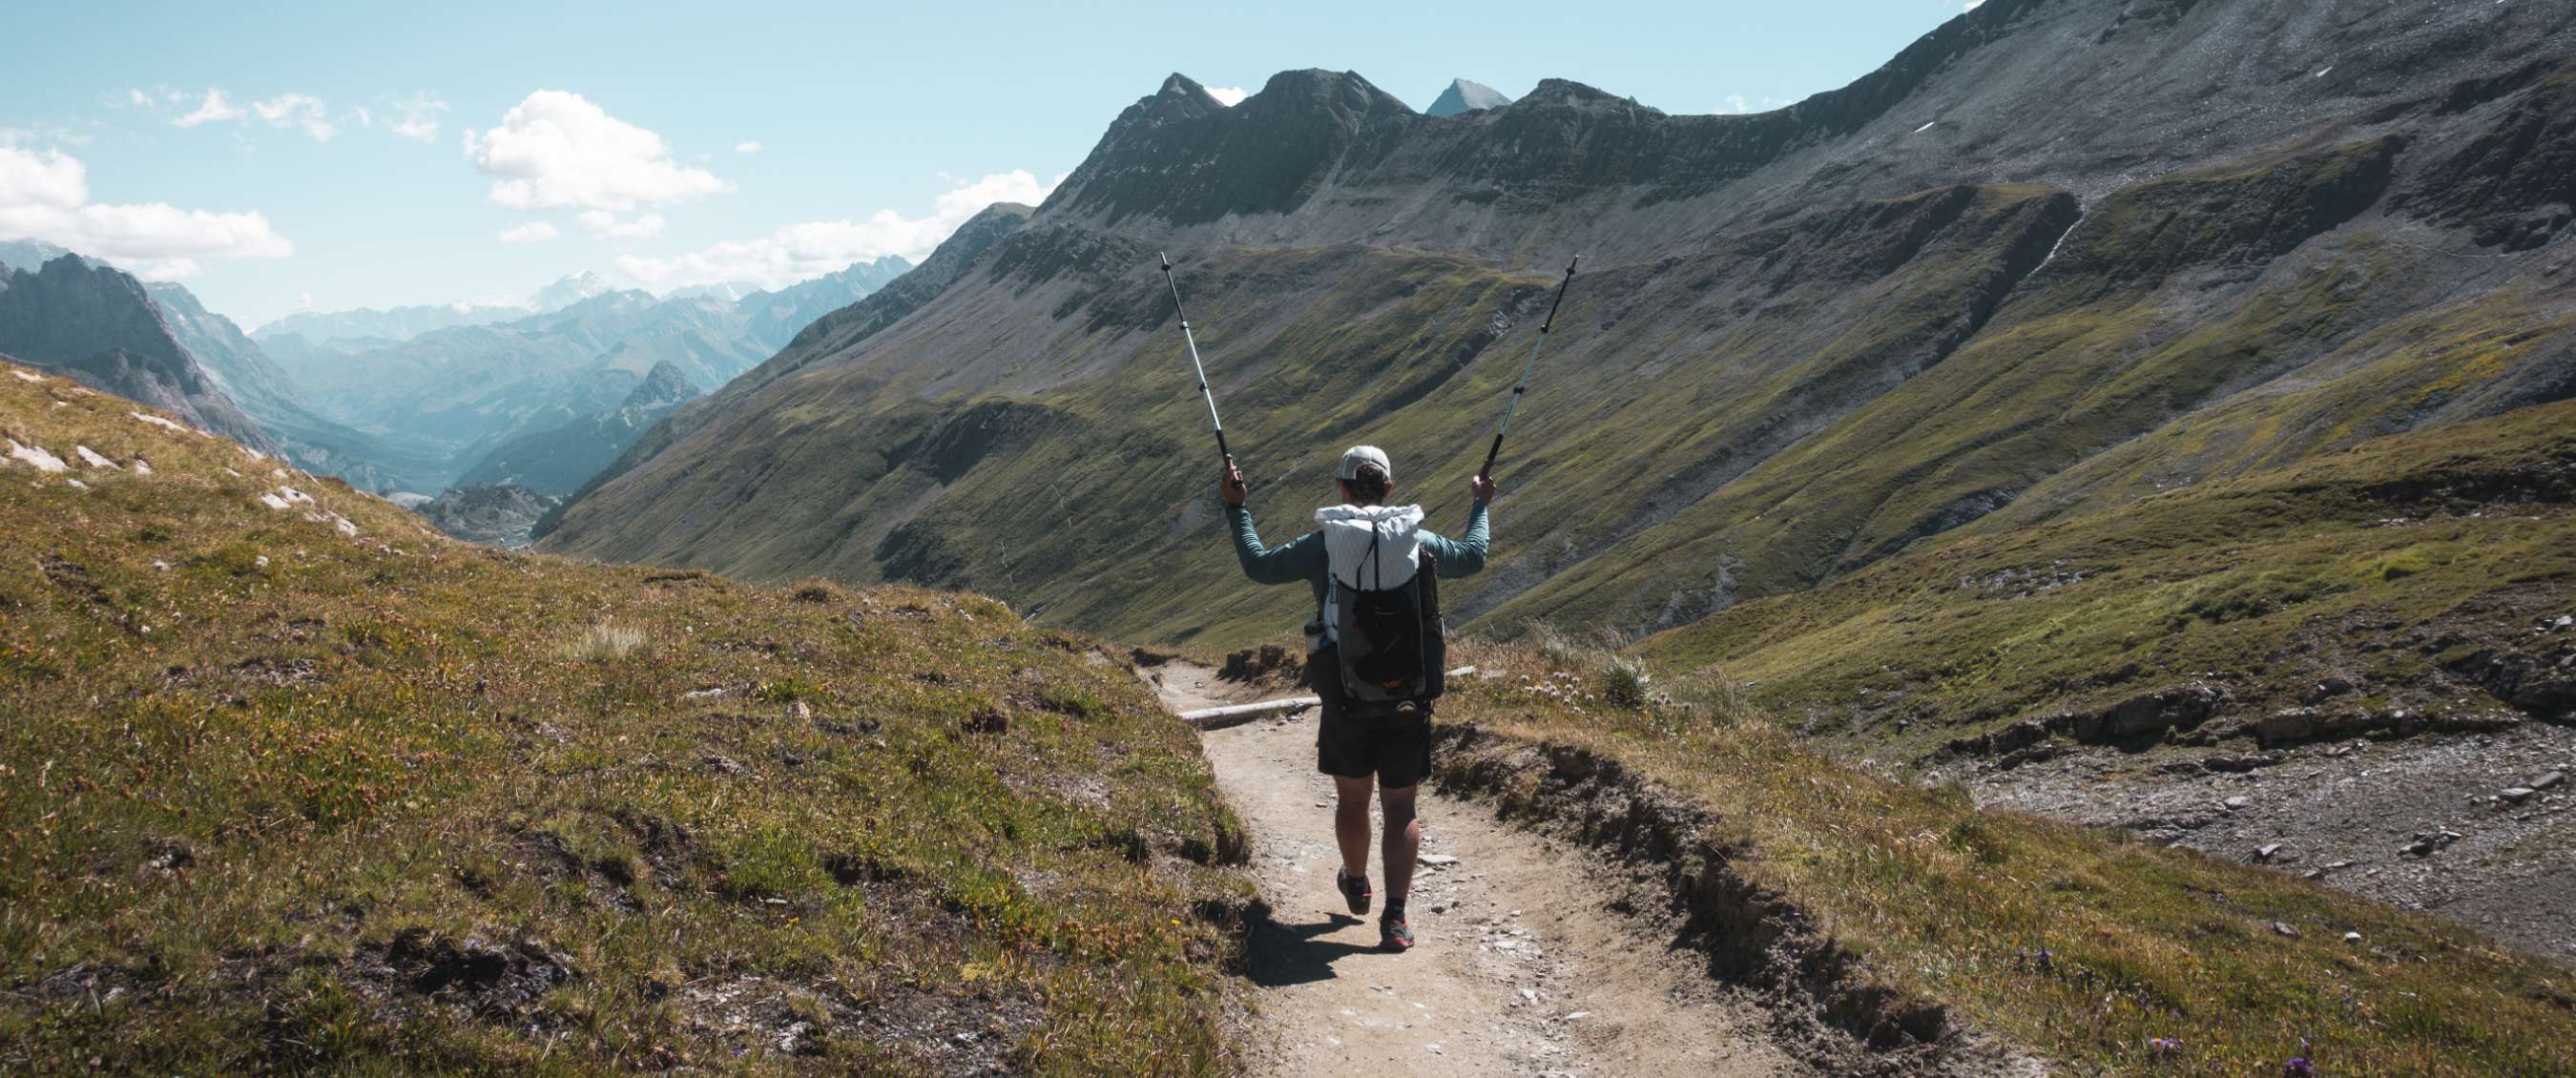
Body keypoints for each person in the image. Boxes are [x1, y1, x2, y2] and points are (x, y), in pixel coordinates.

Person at [1222, 445, 1492, 951]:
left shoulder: (1327, 542)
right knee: (1401, 806)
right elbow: (1474, 557)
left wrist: (1237, 508)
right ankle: (1396, 917)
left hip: (1346, 695)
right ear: (1389, 489)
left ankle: (1356, 879)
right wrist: (1480, 504)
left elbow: (1259, 565)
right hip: (1409, 696)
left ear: (1342, 489)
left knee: (1353, 798)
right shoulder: (1416, 539)